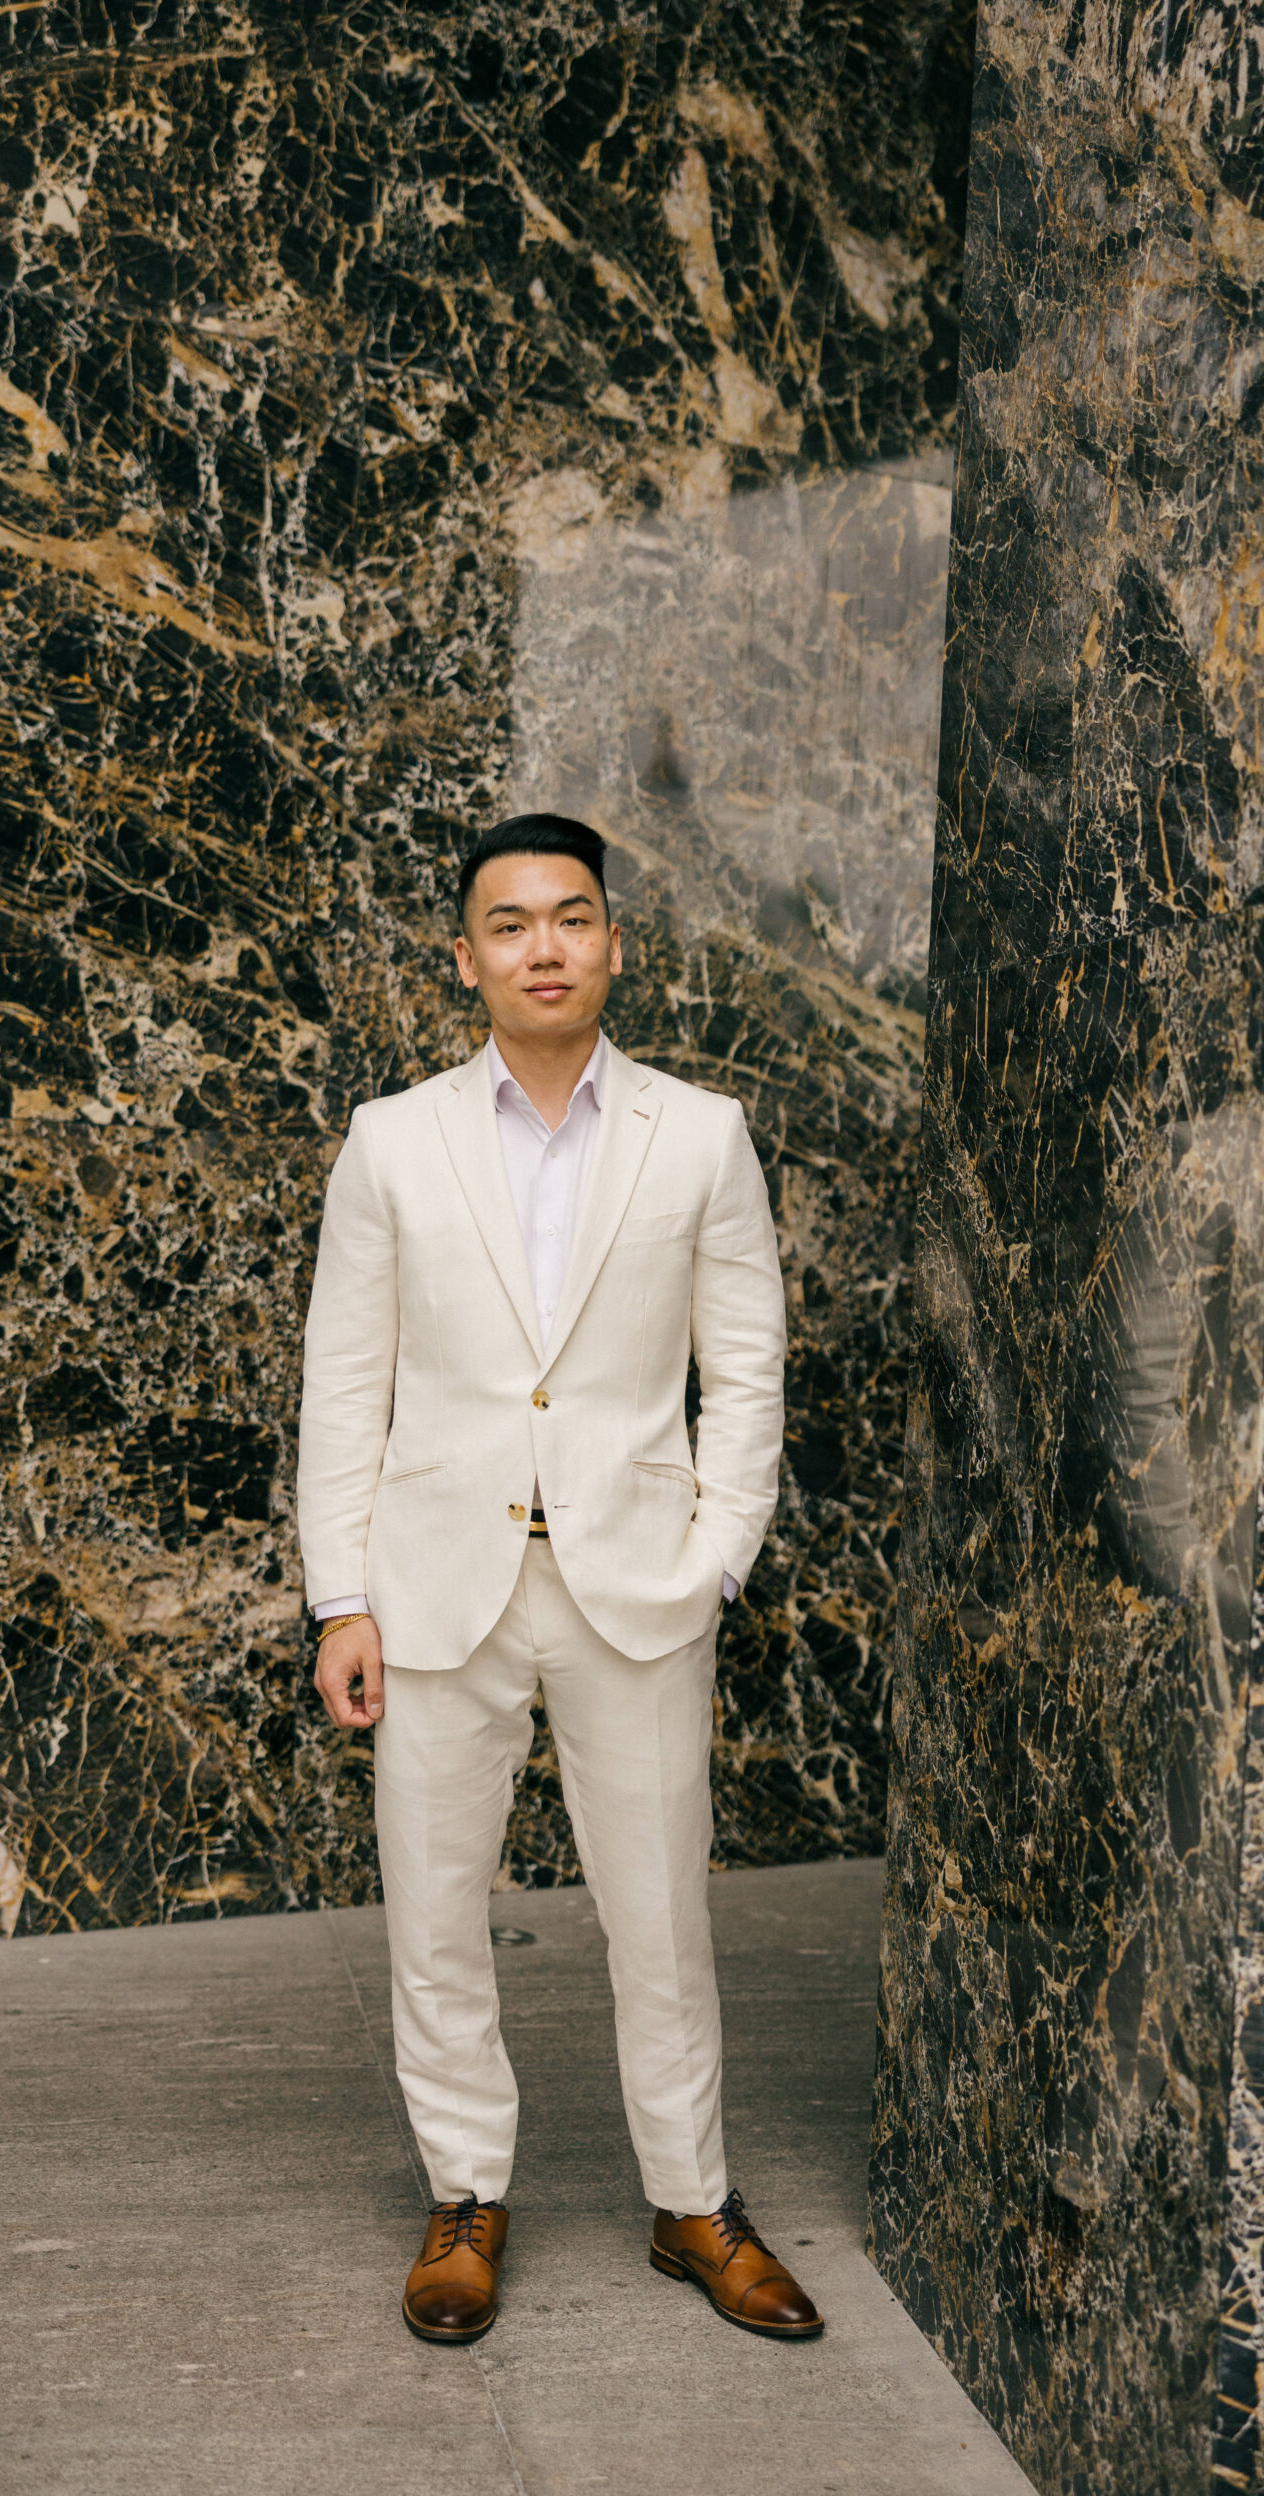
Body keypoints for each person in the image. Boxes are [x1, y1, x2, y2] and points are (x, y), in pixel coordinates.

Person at [297, 811, 821, 2345]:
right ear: (466, 958)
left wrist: (716, 1556)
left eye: (572, 918)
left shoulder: (702, 1134)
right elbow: (346, 1384)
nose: (544, 946)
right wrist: (343, 1596)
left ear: (611, 943)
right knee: (434, 1911)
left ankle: (694, 2203)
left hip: (638, 1585)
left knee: (660, 1911)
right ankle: (465, 2193)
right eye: (511, 923)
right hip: (437, 1585)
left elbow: (749, 1368)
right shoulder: (393, 1139)